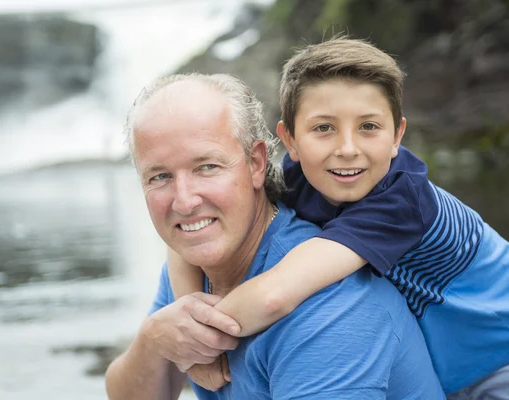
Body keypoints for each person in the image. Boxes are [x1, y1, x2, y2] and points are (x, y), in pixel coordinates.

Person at [167, 37, 509, 397]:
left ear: (397, 135)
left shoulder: (403, 199)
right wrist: (185, 309)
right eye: (324, 128)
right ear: (291, 140)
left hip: (499, 360)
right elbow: (191, 229)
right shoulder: (299, 177)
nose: (347, 150)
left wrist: (191, 347)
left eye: (368, 127)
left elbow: (274, 295)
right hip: (447, 369)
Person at [104, 72, 445, 399]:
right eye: (159, 176)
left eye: (207, 167)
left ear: (256, 164)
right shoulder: (195, 264)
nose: (185, 201)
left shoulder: (330, 309)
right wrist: (152, 340)